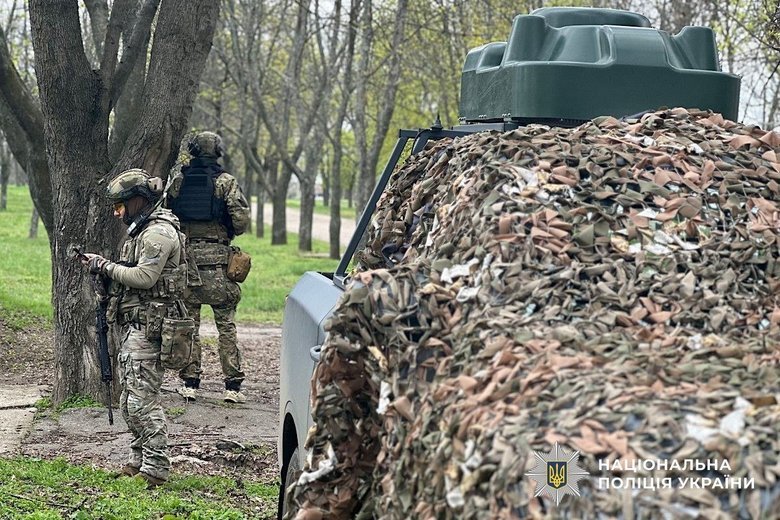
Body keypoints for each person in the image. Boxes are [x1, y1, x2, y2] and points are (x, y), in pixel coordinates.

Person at [80, 168, 188, 488]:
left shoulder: (158, 233)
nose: (117, 213)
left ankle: (156, 469)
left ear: (137, 200)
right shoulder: (141, 231)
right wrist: (103, 269)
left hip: (150, 330)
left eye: (120, 206)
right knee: (129, 400)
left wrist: (105, 266)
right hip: (135, 327)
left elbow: (145, 277)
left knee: (142, 401)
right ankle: (138, 460)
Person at [167, 131, 251, 403]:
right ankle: (232, 387)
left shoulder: (178, 181)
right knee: (226, 325)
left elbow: (168, 214)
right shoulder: (226, 182)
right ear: (217, 151)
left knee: (190, 325)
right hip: (218, 264)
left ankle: (190, 383)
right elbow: (240, 221)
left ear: (192, 151)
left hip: (188, 262)